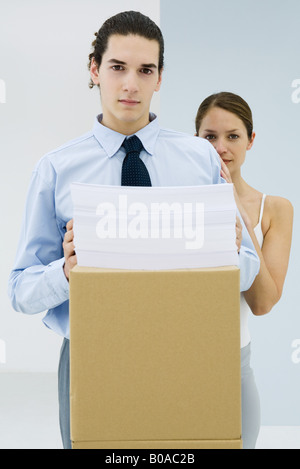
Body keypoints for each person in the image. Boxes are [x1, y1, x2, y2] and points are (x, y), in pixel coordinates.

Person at [8, 12, 260, 449]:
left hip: (188, 349)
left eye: (146, 70)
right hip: (92, 354)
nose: (131, 85)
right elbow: (19, 291)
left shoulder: (200, 159)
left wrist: (226, 251)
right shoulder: (55, 169)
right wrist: (66, 271)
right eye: (117, 67)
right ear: (94, 70)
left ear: (160, 78)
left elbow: (247, 271)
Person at [195, 91, 293, 449]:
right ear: (196, 142)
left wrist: (232, 204)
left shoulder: (276, 209)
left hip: (234, 363)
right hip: (182, 359)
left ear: (251, 141)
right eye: (210, 137)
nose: (221, 147)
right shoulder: (180, 202)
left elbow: (263, 302)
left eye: (233, 136)